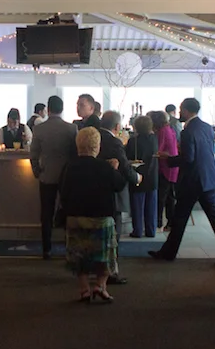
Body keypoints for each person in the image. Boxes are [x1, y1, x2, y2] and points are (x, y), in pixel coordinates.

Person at [150, 98, 215, 265]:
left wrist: (169, 159)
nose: (179, 112)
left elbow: (188, 158)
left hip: (193, 181)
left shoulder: (188, 131)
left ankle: (168, 253)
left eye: (181, 109)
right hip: (208, 178)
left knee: (180, 218)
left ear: (186, 110)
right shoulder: (206, 127)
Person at [60, 127, 127, 302]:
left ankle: (84, 289)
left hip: (75, 217)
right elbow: (119, 185)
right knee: (105, 256)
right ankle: (100, 285)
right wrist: (115, 169)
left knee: (79, 255)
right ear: (97, 146)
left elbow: (63, 191)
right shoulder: (104, 167)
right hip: (101, 218)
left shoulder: (69, 167)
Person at [30, 95, 79, 260]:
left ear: (48, 109)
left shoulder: (39, 129)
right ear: (62, 109)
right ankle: (69, 247)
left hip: (47, 175)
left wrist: (37, 171)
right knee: (69, 211)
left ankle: (47, 249)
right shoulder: (71, 129)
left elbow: (34, 153)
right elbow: (75, 153)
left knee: (46, 212)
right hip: (67, 177)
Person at [97, 110, 139, 283]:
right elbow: (124, 167)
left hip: (96, 192)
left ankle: (99, 270)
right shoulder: (115, 142)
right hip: (114, 192)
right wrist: (137, 178)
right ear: (117, 126)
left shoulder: (94, 137)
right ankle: (111, 272)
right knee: (114, 233)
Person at [126, 114, 159, 239]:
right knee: (151, 205)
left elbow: (127, 157)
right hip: (152, 175)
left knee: (137, 206)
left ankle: (138, 230)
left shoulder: (132, 141)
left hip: (137, 174)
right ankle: (151, 230)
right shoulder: (154, 139)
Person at [153, 110, 179, 231]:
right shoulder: (170, 129)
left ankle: (157, 222)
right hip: (173, 167)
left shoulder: (162, 131)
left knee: (161, 197)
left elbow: (158, 149)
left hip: (165, 167)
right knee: (169, 197)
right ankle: (170, 222)